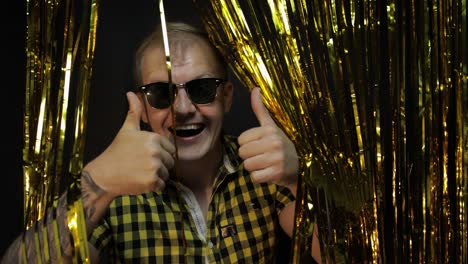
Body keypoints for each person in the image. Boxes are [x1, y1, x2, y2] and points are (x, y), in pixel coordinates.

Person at [2, 22, 321, 263]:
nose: (183, 109)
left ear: (226, 97)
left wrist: (300, 178)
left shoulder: (262, 166)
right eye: (161, 93)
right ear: (141, 107)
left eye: (202, 89)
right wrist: (96, 182)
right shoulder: (116, 192)